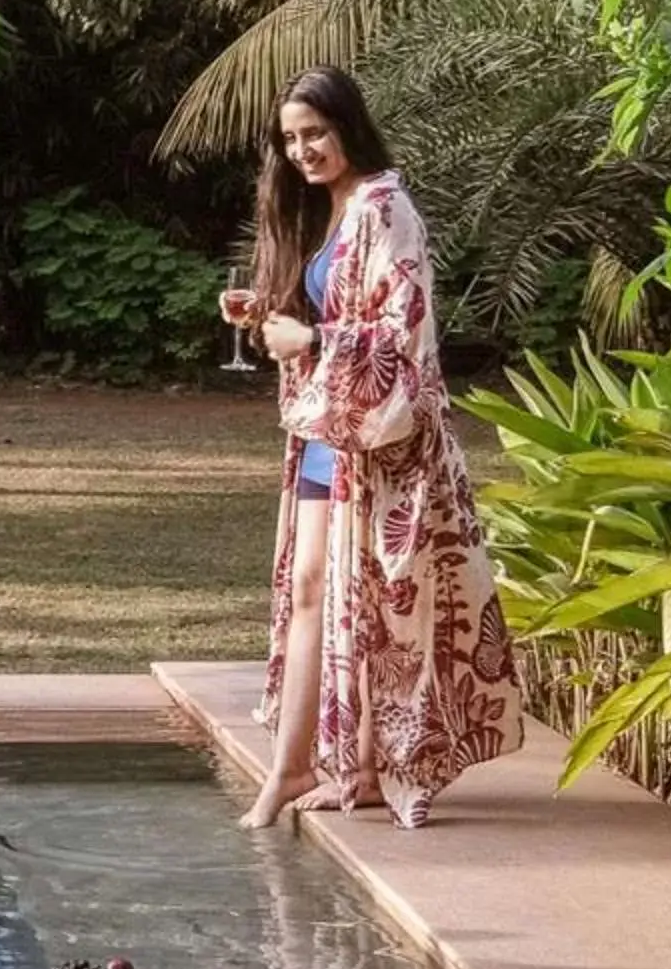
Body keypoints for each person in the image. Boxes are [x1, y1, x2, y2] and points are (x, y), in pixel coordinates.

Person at [219, 67, 517, 829]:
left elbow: (405, 336)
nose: (302, 151)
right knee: (314, 592)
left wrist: (314, 338)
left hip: (383, 444)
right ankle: (308, 766)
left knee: (373, 607)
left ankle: (346, 769)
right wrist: (268, 313)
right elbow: (337, 313)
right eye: (289, 139)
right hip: (329, 437)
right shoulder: (328, 212)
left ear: (349, 125)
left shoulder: (387, 208)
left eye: (314, 133)